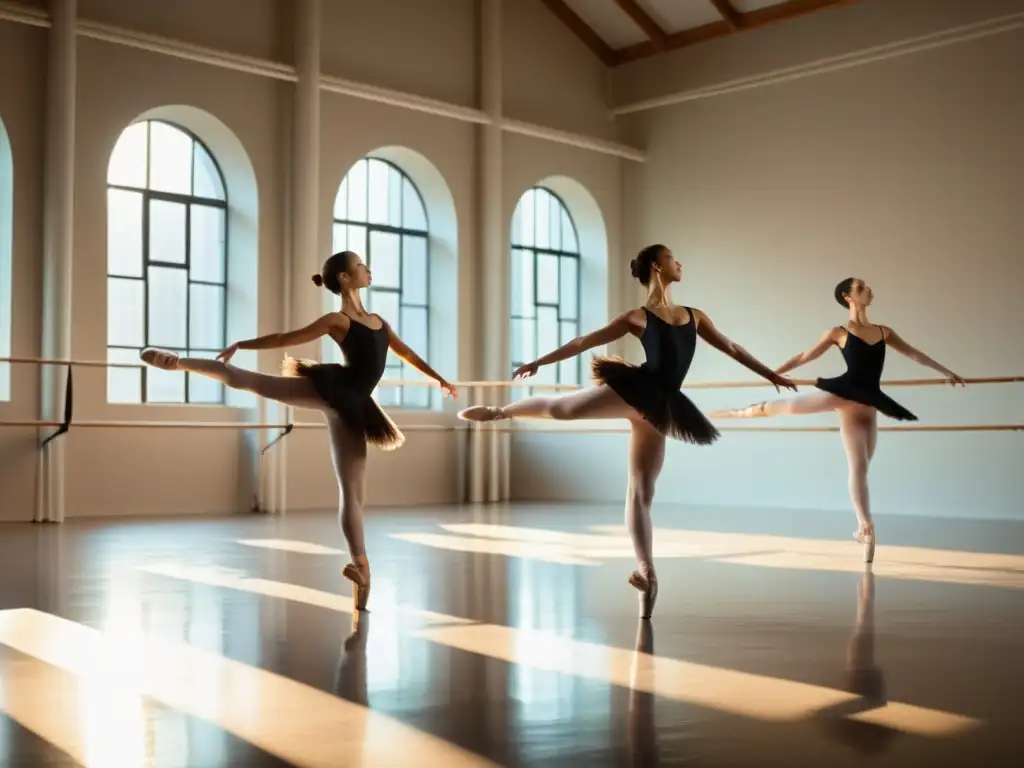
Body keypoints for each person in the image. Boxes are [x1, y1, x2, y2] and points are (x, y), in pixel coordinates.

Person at [458, 244, 796, 619]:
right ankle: (499, 411)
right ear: (657, 266)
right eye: (673, 258)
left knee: (641, 493)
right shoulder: (637, 316)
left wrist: (771, 374)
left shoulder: (695, 316)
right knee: (562, 409)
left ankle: (646, 572)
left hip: (663, 405)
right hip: (637, 389)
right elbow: (582, 342)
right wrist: (539, 361)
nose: (680, 262)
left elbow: (732, 347)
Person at [139, 250, 457, 611]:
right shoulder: (337, 320)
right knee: (248, 380)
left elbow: (408, 354)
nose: (369, 270)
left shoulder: (380, 323)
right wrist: (242, 344)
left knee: (353, 493)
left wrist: (439, 379)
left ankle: (362, 569)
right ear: (344, 279)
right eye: (361, 266)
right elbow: (284, 338)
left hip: (354, 405)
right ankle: (177, 362)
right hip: (331, 388)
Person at [710, 277, 965, 562]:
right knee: (790, 409)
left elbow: (914, 353)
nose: (870, 290)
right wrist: (772, 373)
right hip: (843, 392)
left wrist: (946, 371)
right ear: (848, 296)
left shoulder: (884, 331)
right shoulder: (838, 332)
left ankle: (862, 528)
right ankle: (866, 527)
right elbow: (805, 355)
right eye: (862, 287)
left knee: (862, 465)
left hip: (868, 403)